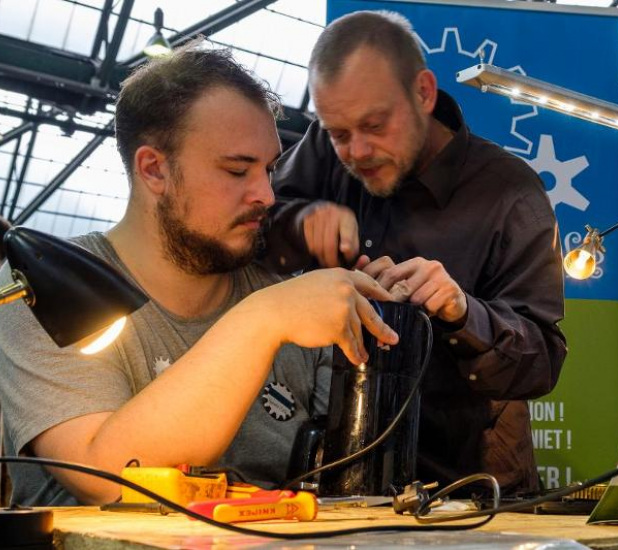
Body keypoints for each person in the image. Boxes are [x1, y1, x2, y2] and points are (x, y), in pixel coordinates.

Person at [0, 45, 398, 506]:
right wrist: (263, 319)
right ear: (154, 169)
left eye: (269, 169)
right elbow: (105, 476)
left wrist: (390, 323)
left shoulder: (288, 304)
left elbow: (354, 487)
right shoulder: (46, 288)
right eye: (236, 169)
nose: (266, 195)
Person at [260, 11, 567, 495]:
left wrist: (462, 312)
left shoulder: (511, 194)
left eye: (375, 125)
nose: (356, 152)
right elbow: (255, 223)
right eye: (338, 133)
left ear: (423, 92)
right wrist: (300, 223)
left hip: (463, 486)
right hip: (335, 474)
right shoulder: (325, 147)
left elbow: (544, 360)